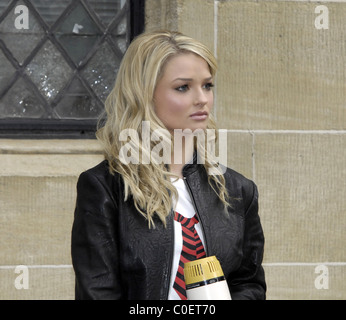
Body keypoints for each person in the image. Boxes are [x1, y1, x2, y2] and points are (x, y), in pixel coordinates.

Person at [71, 30, 266, 300]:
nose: (202, 99)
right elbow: (98, 292)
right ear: (144, 94)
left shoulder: (237, 189)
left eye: (207, 85)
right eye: (183, 87)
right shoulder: (106, 188)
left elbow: (249, 284)